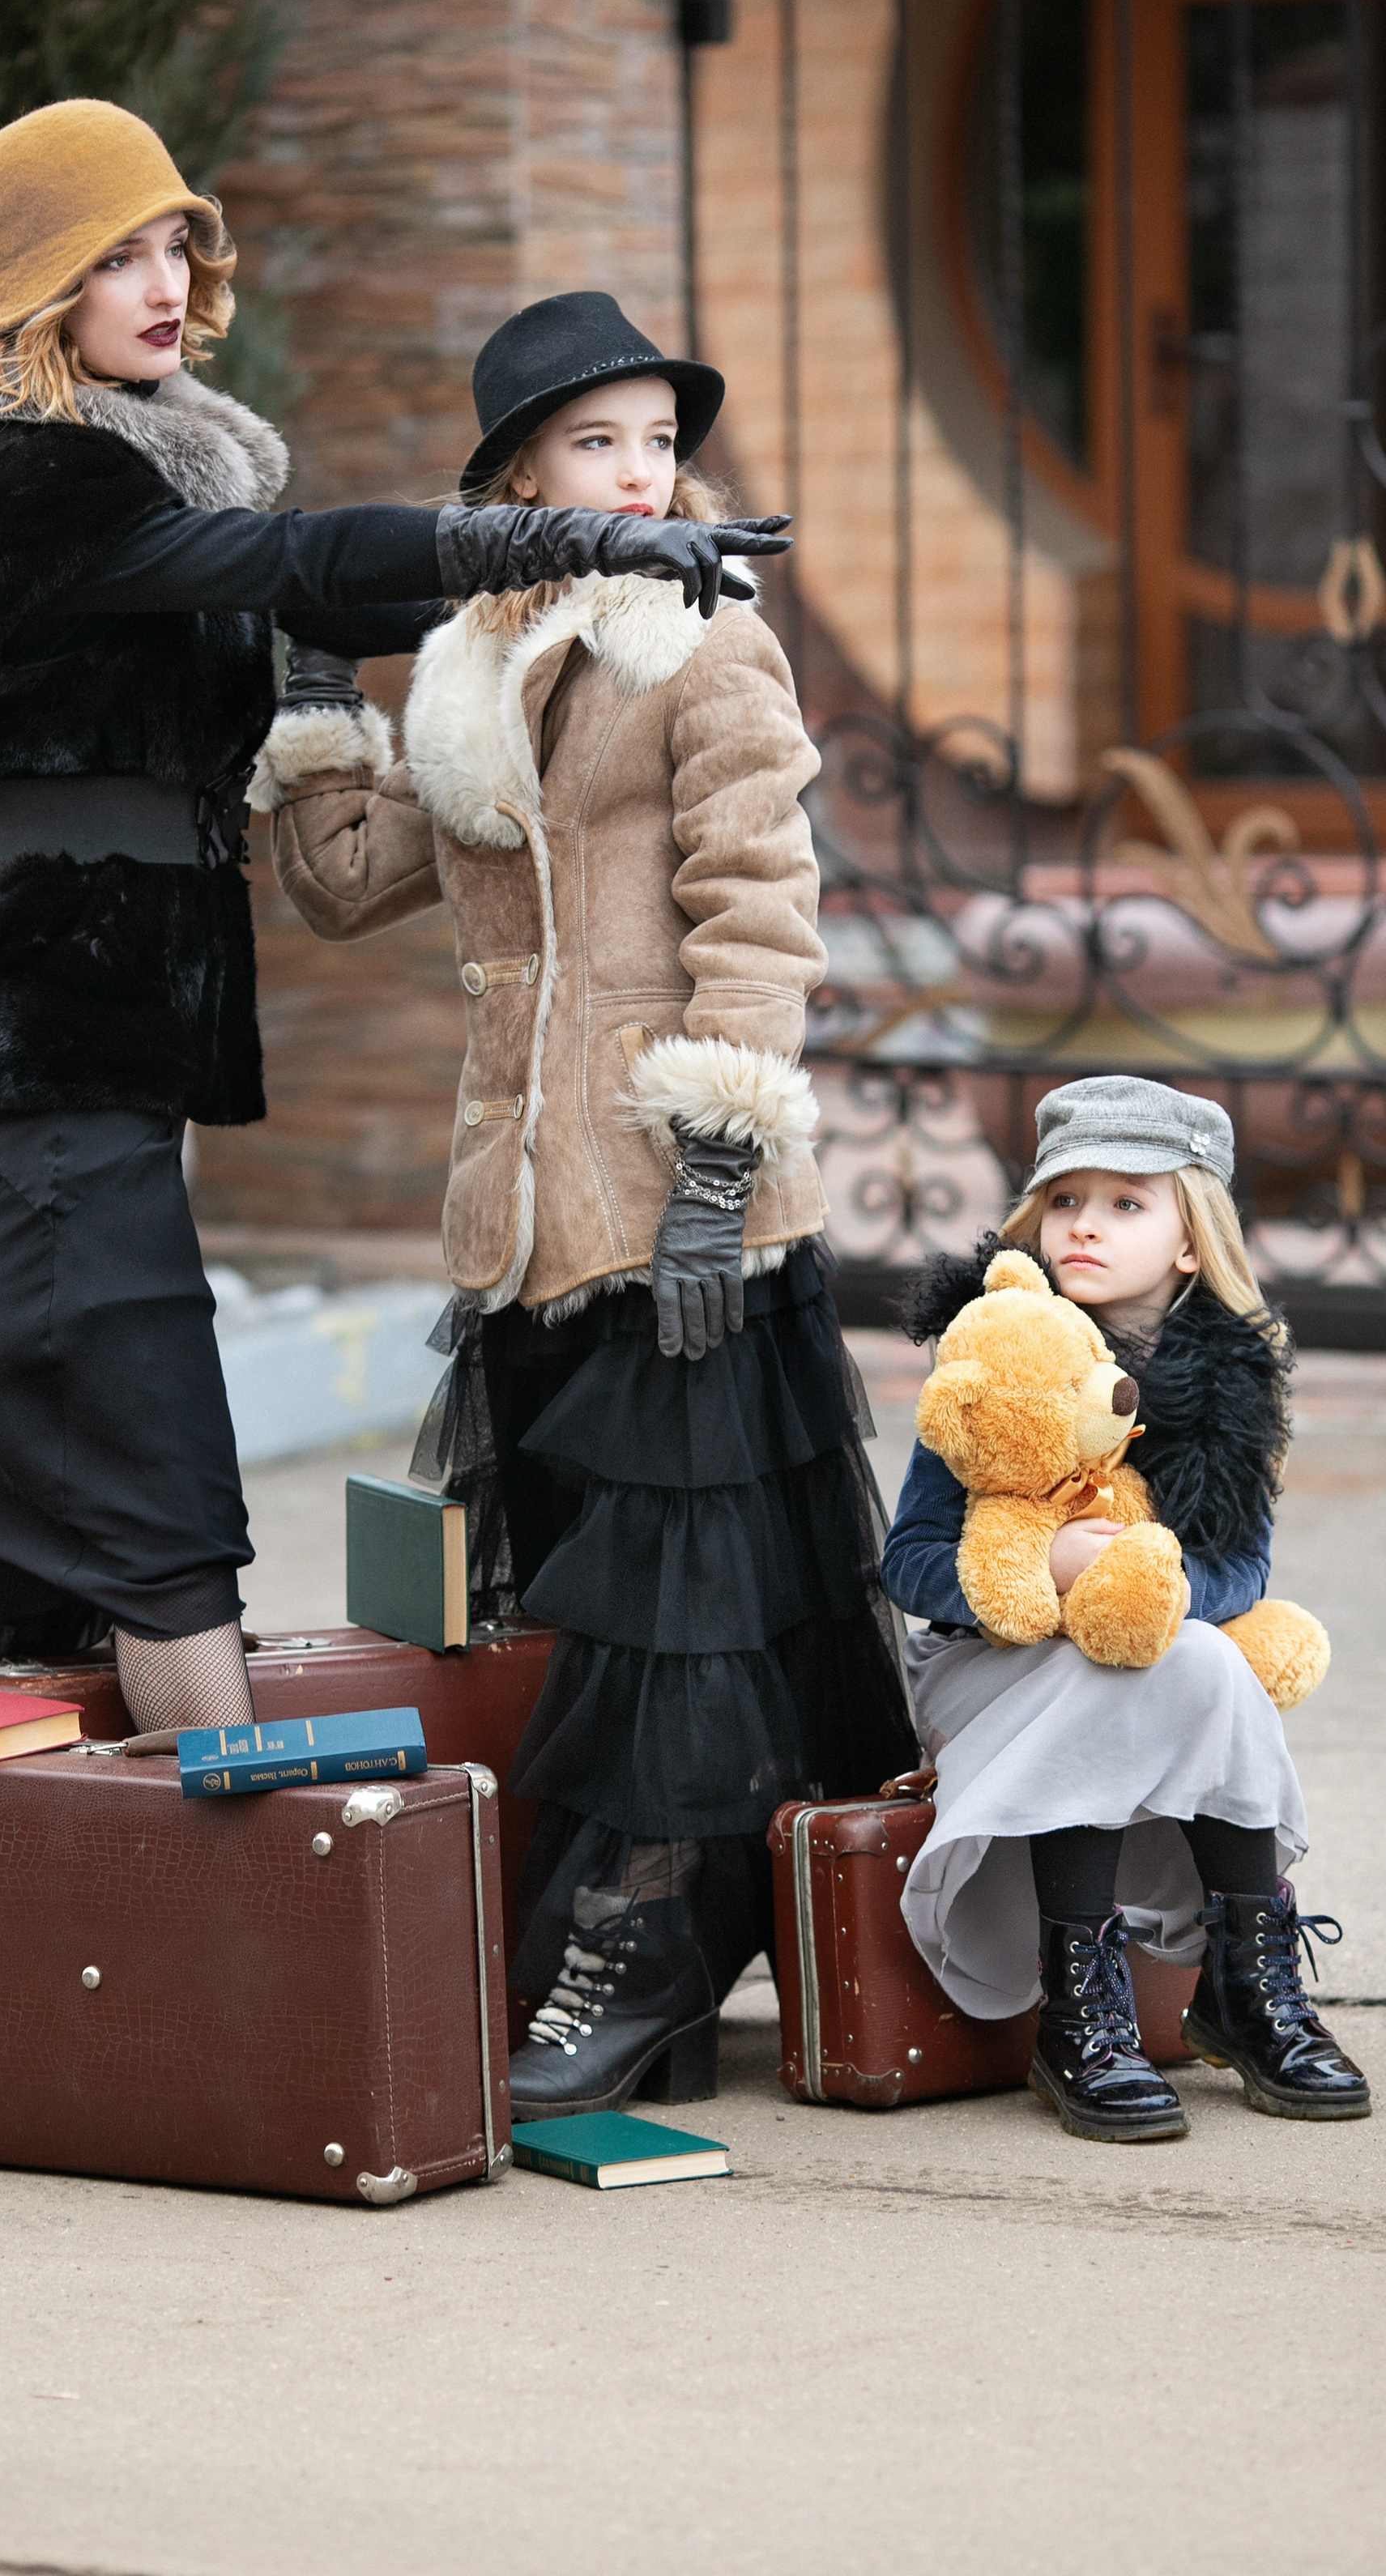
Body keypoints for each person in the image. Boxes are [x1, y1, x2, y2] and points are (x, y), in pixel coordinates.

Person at [0, 108, 789, 2057]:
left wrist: (548, 587)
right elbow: (299, 553)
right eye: (119, 256)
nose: (163, 288)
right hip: (53, 1024)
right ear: (38, 284)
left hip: (96, 1039)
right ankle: (279, 1947)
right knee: (149, 1460)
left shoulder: (130, 480)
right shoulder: (16, 474)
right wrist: (546, 532)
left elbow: (298, 598)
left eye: (176, 253)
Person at [254, 290, 917, 2120]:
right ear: (512, 477)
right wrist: (320, 692)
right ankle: (639, 1926)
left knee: (674, 1609)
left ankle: (649, 1939)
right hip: (529, 1221)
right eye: (596, 442)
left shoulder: (697, 641)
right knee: (571, 1597)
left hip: (674, 1204)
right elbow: (353, 878)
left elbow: (760, 905)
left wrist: (718, 1156)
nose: (641, 472)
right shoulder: (476, 661)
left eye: (656, 441)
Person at [882, 1076, 1369, 2141]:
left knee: (1196, 1653)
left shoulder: (1231, 1379)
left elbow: (1242, 1566)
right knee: (1170, 1663)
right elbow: (909, 1562)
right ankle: (1082, 2015)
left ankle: (1244, 1989)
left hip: (1146, 1662)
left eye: (1125, 1204)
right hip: (989, 1670)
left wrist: (1150, 1588)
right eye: (1066, 1202)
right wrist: (1049, 1566)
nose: (1086, 1226)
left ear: (1191, 1241)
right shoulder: (1003, 1348)